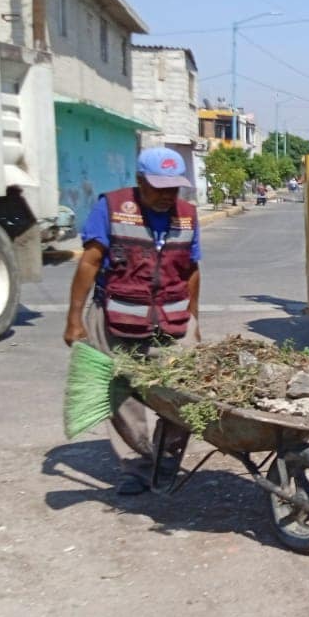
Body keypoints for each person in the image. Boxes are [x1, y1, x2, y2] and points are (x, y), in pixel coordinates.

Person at [64, 147, 202, 495]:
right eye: (159, 188)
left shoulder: (187, 214)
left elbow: (192, 269)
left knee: (187, 391)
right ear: (140, 181)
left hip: (172, 316)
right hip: (116, 315)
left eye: (175, 188)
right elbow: (90, 263)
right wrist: (74, 320)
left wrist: (194, 319)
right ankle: (138, 467)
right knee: (119, 394)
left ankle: (166, 460)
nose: (168, 196)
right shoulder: (111, 207)